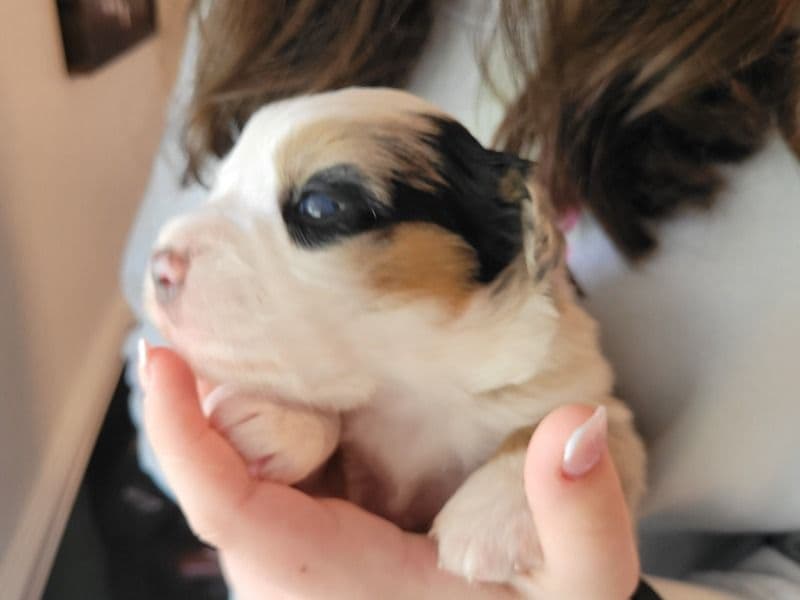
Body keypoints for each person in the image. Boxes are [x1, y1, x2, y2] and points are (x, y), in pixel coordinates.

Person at [120, 0, 800, 597]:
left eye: (321, 207)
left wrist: (533, 485)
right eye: (218, 191)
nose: (171, 256)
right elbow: (149, 361)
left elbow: (605, 444)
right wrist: (245, 450)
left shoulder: (548, 365)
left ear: (522, 243)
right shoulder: (251, 17)